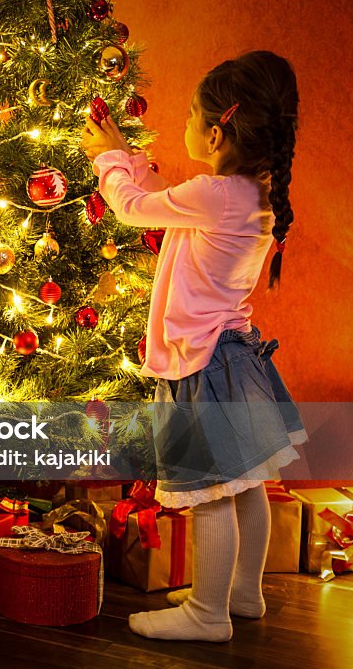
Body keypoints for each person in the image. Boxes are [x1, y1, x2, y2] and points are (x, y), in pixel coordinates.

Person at [79, 50, 307, 642]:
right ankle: (240, 593)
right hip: (235, 358)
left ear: (215, 132)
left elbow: (131, 206)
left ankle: (208, 615)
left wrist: (106, 161)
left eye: (188, 114)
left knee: (208, 494)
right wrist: (129, 156)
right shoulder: (247, 189)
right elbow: (169, 199)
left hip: (202, 362)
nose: (182, 124)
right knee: (246, 483)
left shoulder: (217, 194)